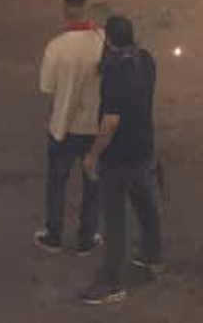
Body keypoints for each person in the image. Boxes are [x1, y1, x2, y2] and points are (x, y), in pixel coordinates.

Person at [79, 16, 164, 306]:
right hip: (144, 147)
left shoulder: (116, 73)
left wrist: (92, 155)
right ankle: (152, 255)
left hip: (118, 156)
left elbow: (111, 121)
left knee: (114, 220)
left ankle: (112, 282)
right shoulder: (145, 59)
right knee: (144, 203)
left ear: (110, 42)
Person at [35, 0, 104, 254]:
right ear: (86, 7)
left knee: (57, 184)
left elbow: (47, 87)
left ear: (64, 10)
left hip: (63, 127)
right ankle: (87, 238)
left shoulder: (57, 46)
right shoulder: (102, 40)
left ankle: (53, 235)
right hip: (95, 126)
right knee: (93, 184)